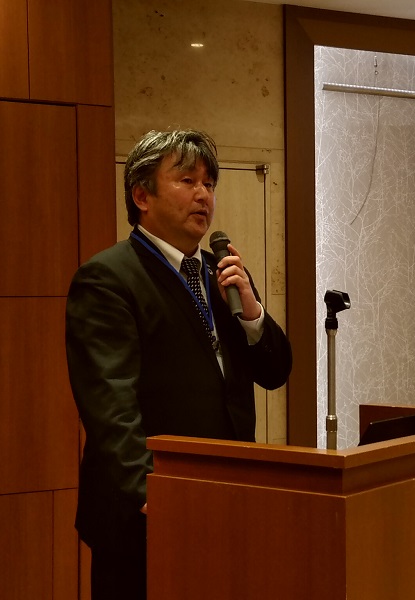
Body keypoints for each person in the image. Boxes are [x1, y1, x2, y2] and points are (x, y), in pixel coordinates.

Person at [65, 129, 292, 600]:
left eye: (209, 183)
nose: (203, 194)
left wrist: (252, 314)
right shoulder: (107, 279)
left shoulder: (222, 272)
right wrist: (152, 491)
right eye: (187, 180)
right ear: (141, 196)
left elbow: (275, 373)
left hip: (225, 496)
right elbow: (110, 405)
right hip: (146, 512)